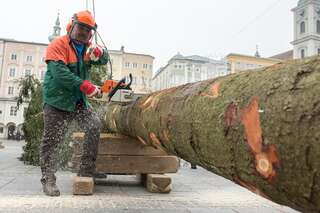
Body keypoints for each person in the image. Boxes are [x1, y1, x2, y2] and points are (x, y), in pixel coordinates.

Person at [40, 10, 109, 196]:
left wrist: (101, 53)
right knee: (52, 140)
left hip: (78, 102)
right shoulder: (58, 45)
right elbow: (60, 74)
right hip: (57, 101)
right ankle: (48, 179)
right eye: (81, 28)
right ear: (72, 25)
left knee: (94, 125)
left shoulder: (88, 48)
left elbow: (105, 60)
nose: (84, 33)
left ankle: (87, 169)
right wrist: (86, 86)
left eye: (88, 30)